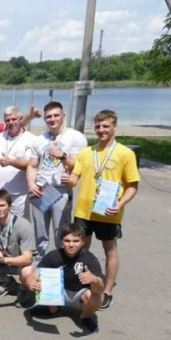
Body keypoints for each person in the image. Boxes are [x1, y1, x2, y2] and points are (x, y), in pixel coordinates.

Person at [62, 109, 139, 310]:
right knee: (80, 249)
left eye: (106, 126)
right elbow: (75, 178)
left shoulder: (125, 153)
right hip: (84, 211)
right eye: (97, 126)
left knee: (110, 250)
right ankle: (80, 282)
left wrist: (120, 205)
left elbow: (132, 186)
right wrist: (69, 180)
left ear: (115, 126)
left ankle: (107, 290)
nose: (101, 130)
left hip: (108, 212)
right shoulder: (87, 152)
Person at [27, 101, 88, 258]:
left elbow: (77, 165)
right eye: (48, 117)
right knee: (40, 232)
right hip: (40, 189)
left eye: (56, 115)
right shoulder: (39, 140)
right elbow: (32, 165)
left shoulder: (75, 137)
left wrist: (63, 156)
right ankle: (41, 262)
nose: (52, 119)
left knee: (62, 232)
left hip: (60, 191)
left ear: (63, 116)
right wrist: (31, 184)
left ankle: (62, 262)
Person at [24, 223, 105, 333]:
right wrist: (31, 282)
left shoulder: (89, 258)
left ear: (83, 242)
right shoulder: (53, 256)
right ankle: (53, 310)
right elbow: (34, 274)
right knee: (40, 280)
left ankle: (84, 317)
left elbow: (100, 289)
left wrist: (94, 279)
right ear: (62, 241)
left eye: (76, 241)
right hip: (58, 291)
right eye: (67, 241)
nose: (71, 245)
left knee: (95, 297)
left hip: (79, 294)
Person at [0, 106, 34, 220]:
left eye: (14, 119)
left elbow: (30, 164)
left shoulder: (30, 138)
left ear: (21, 119)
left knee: (17, 224)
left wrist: (11, 162)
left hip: (19, 192)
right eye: (7, 120)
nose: (11, 122)